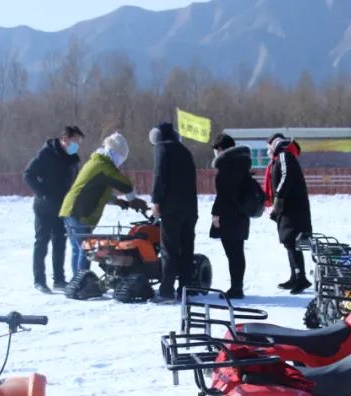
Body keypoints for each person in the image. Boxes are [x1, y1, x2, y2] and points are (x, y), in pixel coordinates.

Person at [59, 132, 145, 276]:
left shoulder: (96, 162)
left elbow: (96, 191)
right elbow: (125, 184)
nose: (120, 163)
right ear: (115, 154)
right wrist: (133, 199)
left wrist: (117, 201)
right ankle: (83, 281)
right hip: (79, 212)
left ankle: (77, 280)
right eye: (121, 159)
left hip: (70, 210)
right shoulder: (103, 166)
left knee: (77, 248)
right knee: (85, 248)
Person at [23, 125, 84, 293]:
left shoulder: (72, 159)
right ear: (65, 139)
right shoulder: (46, 153)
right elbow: (28, 174)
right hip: (44, 206)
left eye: (79, 143)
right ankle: (39, 280)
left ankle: (59, 279)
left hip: (62, 206)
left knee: (60, 242)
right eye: (75, 141)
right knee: (42, 241)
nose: (76, 145)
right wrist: (42, 193)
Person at [149, 122, 198, 301]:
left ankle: (166, 291)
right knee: (186, 249)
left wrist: (156, 200)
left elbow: (159, 175)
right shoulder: (184, 150)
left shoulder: (162, 148)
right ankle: (186, 290)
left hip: (172, 208)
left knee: (169, 249)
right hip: (190, 208)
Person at [209, 133, 252, 299]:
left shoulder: (227, 167)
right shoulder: (241, 164)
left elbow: (223, 194)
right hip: (241, 215)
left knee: (233, 254)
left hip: (229, 216)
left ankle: (236, 288)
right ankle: (237, 286)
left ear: (220, 149)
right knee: (237, 253)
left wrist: (216, 214)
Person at [268, 134, 312, 294]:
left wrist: (278, 198)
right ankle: (295, 276)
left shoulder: (284, 155)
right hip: (289, 209)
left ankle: (301, 278)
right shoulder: (282, 157)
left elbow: (286, 177)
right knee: (289, 243)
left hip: (293, 209)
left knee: (293, 243)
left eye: (269, 145)